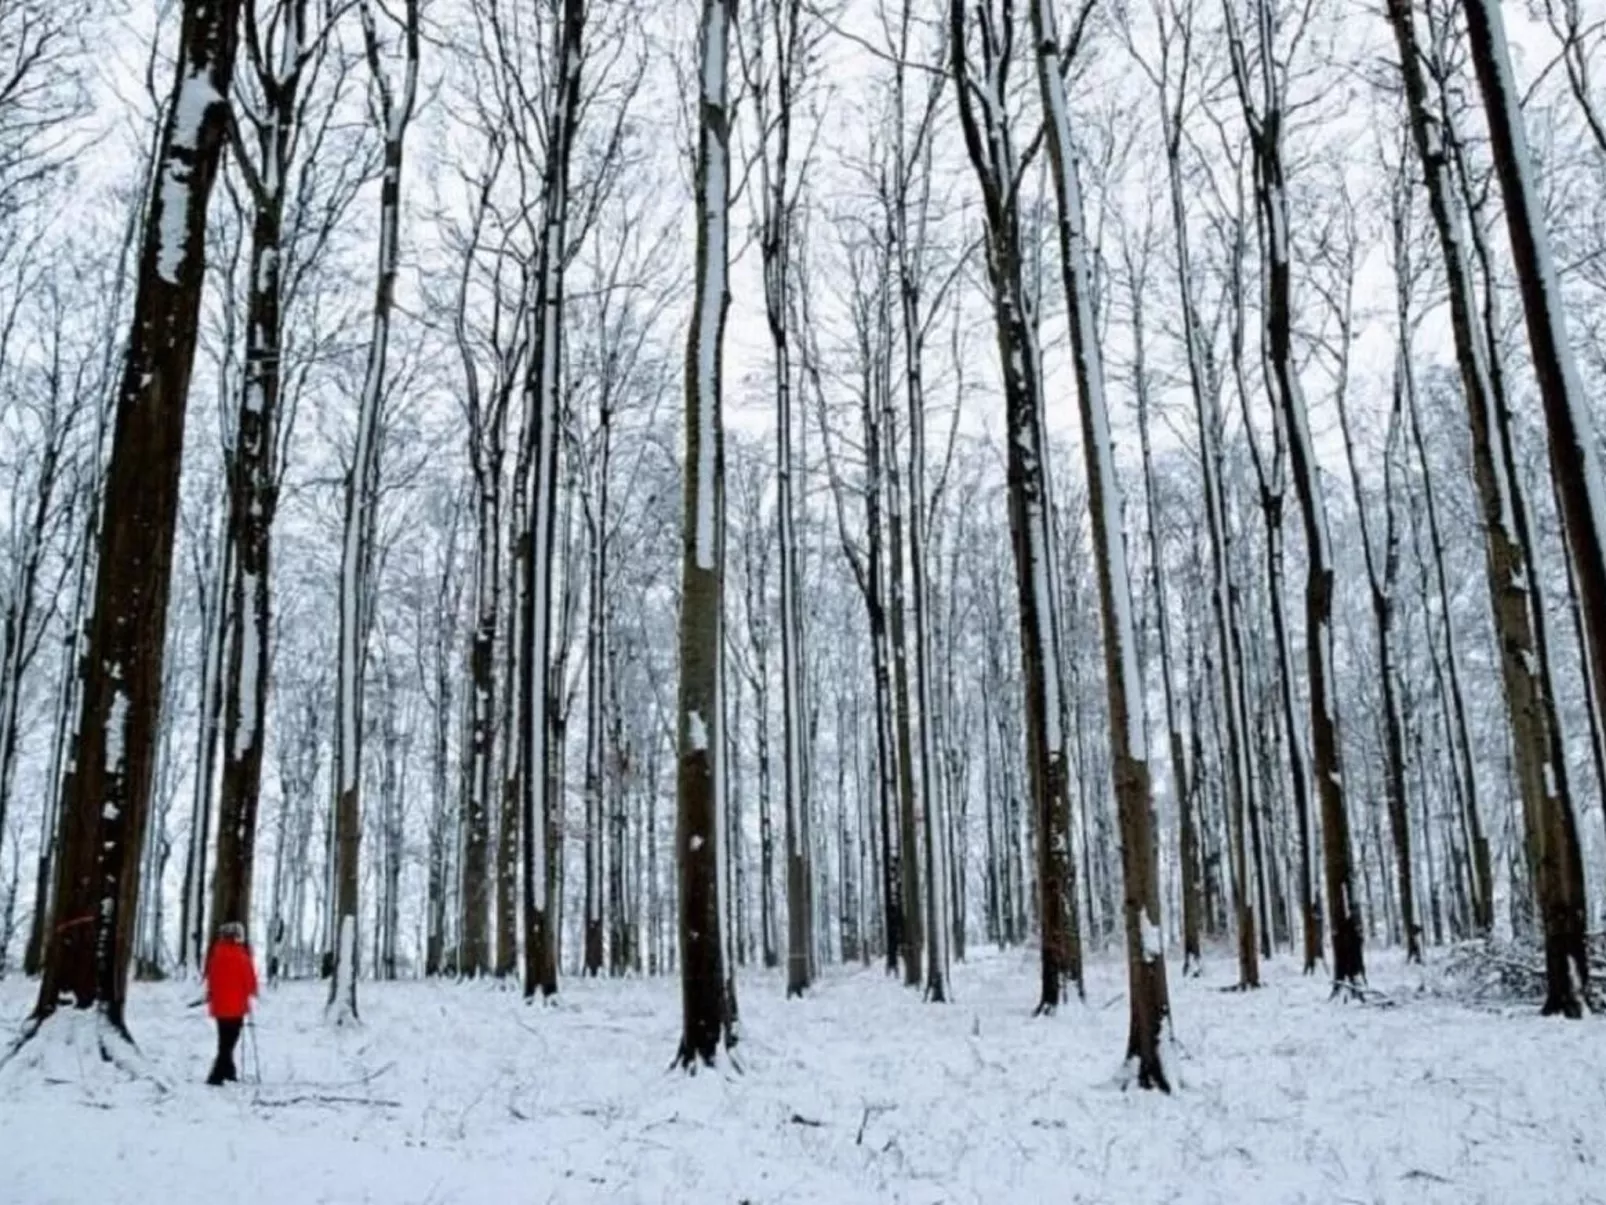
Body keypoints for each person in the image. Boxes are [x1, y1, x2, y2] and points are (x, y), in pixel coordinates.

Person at [203, 921, 258, 1085]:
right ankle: (216, 1075)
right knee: (228, 1043)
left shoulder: (216, 955)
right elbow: (250, 982)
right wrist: (251, 992)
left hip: (220, 1006)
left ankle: (229, 1071)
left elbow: (211, 978)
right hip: (236, 1007)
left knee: (224, 1040)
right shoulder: (242, 956)